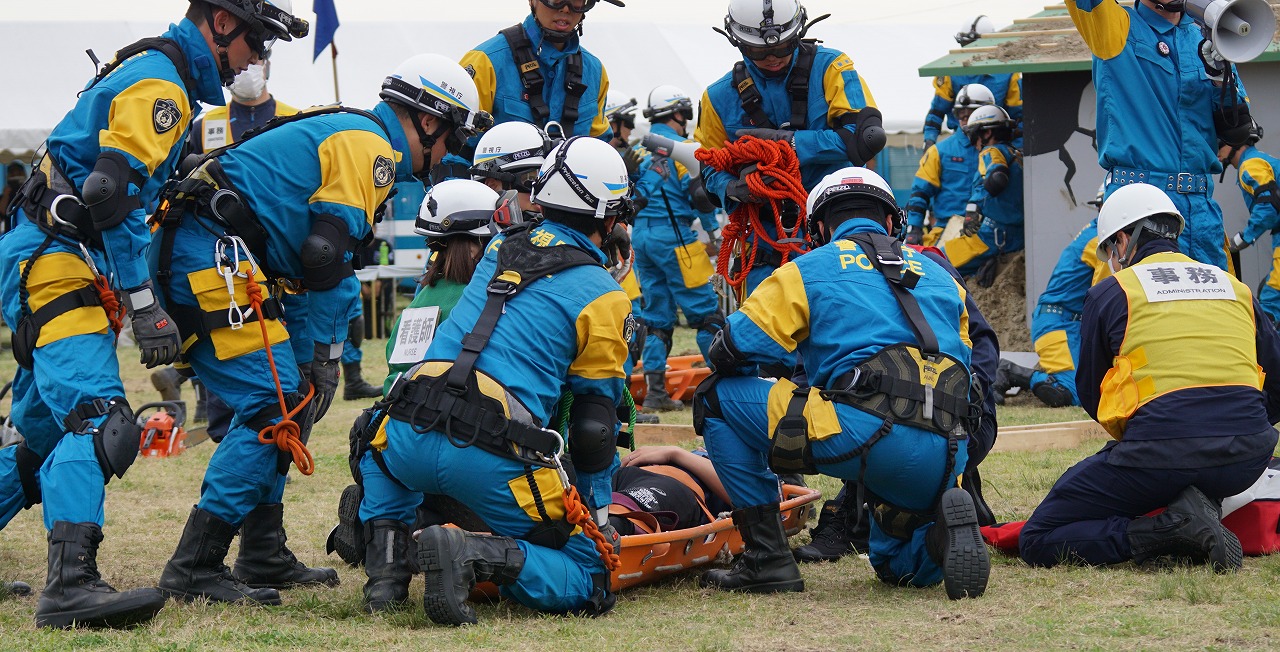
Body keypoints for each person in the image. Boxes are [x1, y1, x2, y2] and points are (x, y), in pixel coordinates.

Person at [0, 0, 304, 629]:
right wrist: (144, 306)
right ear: (221, 23)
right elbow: (108, 192)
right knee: (101, 422)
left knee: (39, 437)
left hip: (50, 255)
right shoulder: (162, 85)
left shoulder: (156, 71)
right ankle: (70, 585)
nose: (257, 59)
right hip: (55, 262)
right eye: (257, 41)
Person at [150, 53, 486, 606]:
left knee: (291, 396)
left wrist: (314, 364)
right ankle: (194, 565)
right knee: (272, 405)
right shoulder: (370, 146)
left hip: (215, 252)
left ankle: (262, 551)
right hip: (208, 256)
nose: (446, 154)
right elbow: (325, 257)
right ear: (429, 120)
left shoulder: (354, 133)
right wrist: (328, 358)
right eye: (450, 137)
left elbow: (308, 267)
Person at [350, 136, 633, 624]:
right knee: (591, 574)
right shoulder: (605, 295)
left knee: (374, 445)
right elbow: (595, 429)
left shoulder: (499, 246)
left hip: (407, 430)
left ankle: (387, 573)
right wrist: (598, 516)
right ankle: (469, 555)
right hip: (493, 453)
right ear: (610, 219)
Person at [694, 167, 989, 599]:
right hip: (949, 450)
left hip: (862, 434)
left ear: (817, 227)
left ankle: (767, 559)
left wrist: (714, 331)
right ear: (892, 222)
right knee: (893, 564)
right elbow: (967, 366)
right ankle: (938, 539)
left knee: (715, 399)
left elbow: (732, 350)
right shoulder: (943, 277)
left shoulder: (807, 269)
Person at [1019, 183, 1280, 571]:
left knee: (1036, 538)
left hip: (1160, 455)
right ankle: (1195, 503)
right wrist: (1235, 429)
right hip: (1248, 459)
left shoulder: (1112, 291)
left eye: (1109, 248)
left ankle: (1169, 529)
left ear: (1123, 240)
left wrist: (1154, 441)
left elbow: (1093, 395)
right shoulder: (1236, 287)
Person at [694, 0, 885, 295]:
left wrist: (794, 144)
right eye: (760, 51)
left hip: (836, 223)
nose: (773, 57)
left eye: (783, 47)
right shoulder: (717, 98)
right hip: (766, 236)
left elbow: (863, 139)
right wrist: (732, 188)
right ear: (739, 44)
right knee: (763, 332)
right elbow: (709, 168)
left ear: (798, 35)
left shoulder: (831, 68)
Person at [1065, 0, 1252, 270]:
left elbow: (1237, 130)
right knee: (1138, 308)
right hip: (1139, 208)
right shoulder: (1114, 26)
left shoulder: (1208, 35)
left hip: (1201, 208)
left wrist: (1220, 77)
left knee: (1217, 309)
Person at [632, 86, 723, 411]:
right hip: (676, 239)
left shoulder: (638, 148)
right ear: (678, 113)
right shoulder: (683, 149)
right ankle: (723, 389)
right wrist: (715, 232)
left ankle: (656, 393)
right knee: (706, 314)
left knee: (656, 317)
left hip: (640, 237)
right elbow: (700, 197)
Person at [996, 185, 1111, 408]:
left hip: (1065, 322)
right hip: (1059, 323)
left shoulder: (1097, 234)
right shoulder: (1100, 240)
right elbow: (1108, 298)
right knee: (1075, 394)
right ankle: (1009, 371)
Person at [460, 0, 621, 140]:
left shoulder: (595, 73)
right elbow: (454, 152)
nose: (565, 8)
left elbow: (599, 150)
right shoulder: (485, 62)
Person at [905, 84, 993, 247]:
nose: (966, 120)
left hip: (989, 230)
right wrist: (914, 228)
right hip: (948, 230)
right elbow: (920, 192)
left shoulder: (999, 150)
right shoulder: (939, 151)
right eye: (962, 115)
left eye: (971, 114)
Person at [942, 105, 1023, 280]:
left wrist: (974, 206)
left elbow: (998, 177)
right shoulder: (1017, 154)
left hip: (992, 235)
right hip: (1017, 235)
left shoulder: (991, 151)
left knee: (936, 261)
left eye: (973, 134)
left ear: (986, 133)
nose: (973, 142)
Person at [922, 17, 1022, 152]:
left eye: (973, 44)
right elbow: (936, 112)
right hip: (961, 143)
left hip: (995, 143)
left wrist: (1017, 149)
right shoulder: (950, 72)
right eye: (965, 44)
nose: (969, 50)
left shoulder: (1009, 74)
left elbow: (1019, 118)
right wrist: (929, 140)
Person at [1221, 121, 1280, 325]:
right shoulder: (1261, 160)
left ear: (1234, 142)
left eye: (1220, 142)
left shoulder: (1250, 164)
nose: (1216, 149)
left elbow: (1269, 205)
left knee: (1272, 301)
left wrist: (1243, 238)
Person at [608, 446, 733, 535]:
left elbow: (745, 495)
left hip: (680, 485)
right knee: (592, 500)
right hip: (637, 473)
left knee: (617, 519)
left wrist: (674, 453)